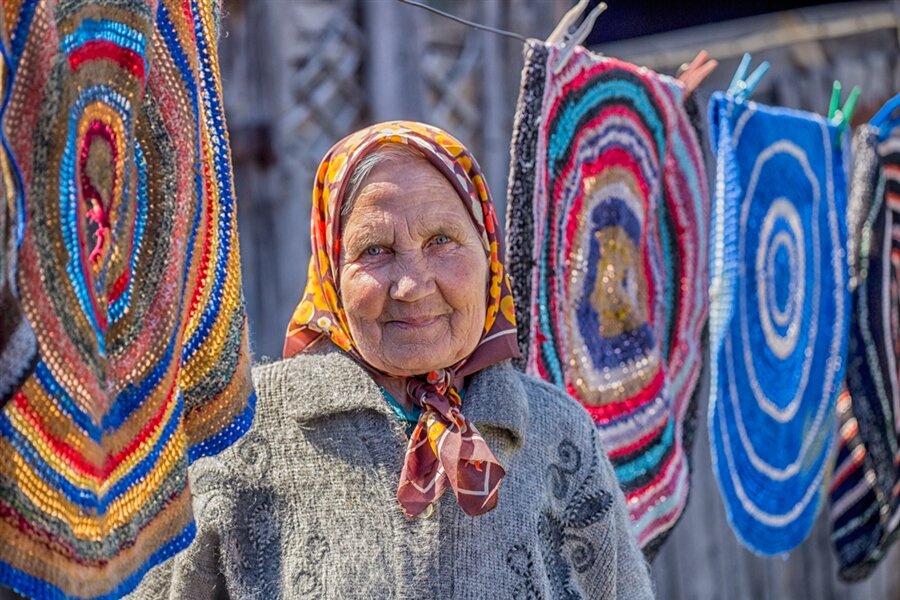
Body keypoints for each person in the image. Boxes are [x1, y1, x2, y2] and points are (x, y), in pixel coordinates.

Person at [129, 121, 654, 599]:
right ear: (332, 275)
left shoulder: (556, 431)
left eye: (442, 241)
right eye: (375, 250)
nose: (412, 285)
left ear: (488, 256)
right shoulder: (242, 430)